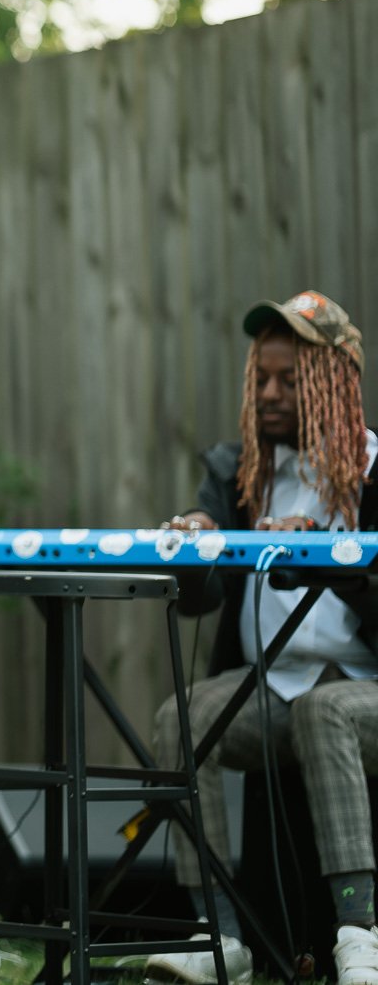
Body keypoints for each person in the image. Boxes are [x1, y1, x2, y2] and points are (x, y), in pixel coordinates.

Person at [147, 290, 378, 985]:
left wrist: (331, 564)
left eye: (289, 380)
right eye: (262, 379)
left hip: (361, 689)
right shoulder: (240, 474)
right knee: (183, 718)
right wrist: (196, 542)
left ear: (333, 382)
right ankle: (219, 940)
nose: (270, 394)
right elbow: (200, 602)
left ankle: (359, 936)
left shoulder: (374, 473)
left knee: (325, 711)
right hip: (276, 688)